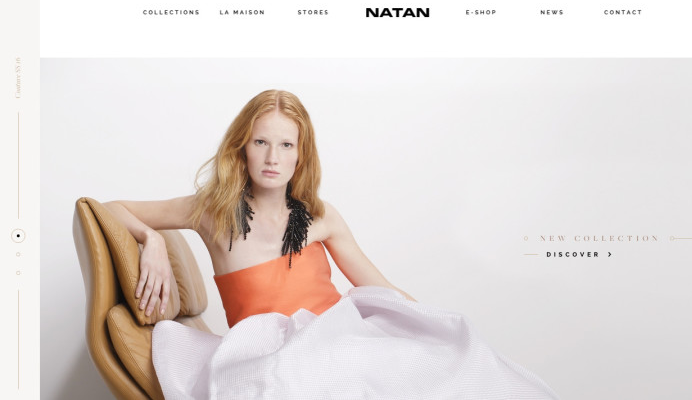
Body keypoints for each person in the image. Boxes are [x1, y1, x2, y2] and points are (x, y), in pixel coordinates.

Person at [106, 90, 559, 399]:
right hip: (271, 352)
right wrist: (151, 239)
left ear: (301, 154)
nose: (272, 157)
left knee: (449, 371)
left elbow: (380, 288)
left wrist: (436, 329)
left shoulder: (321, 216)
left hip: (339, 337)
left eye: (286, 145)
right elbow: (108, 208)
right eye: (261, 142)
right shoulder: (211, 211)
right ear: (241, 147)